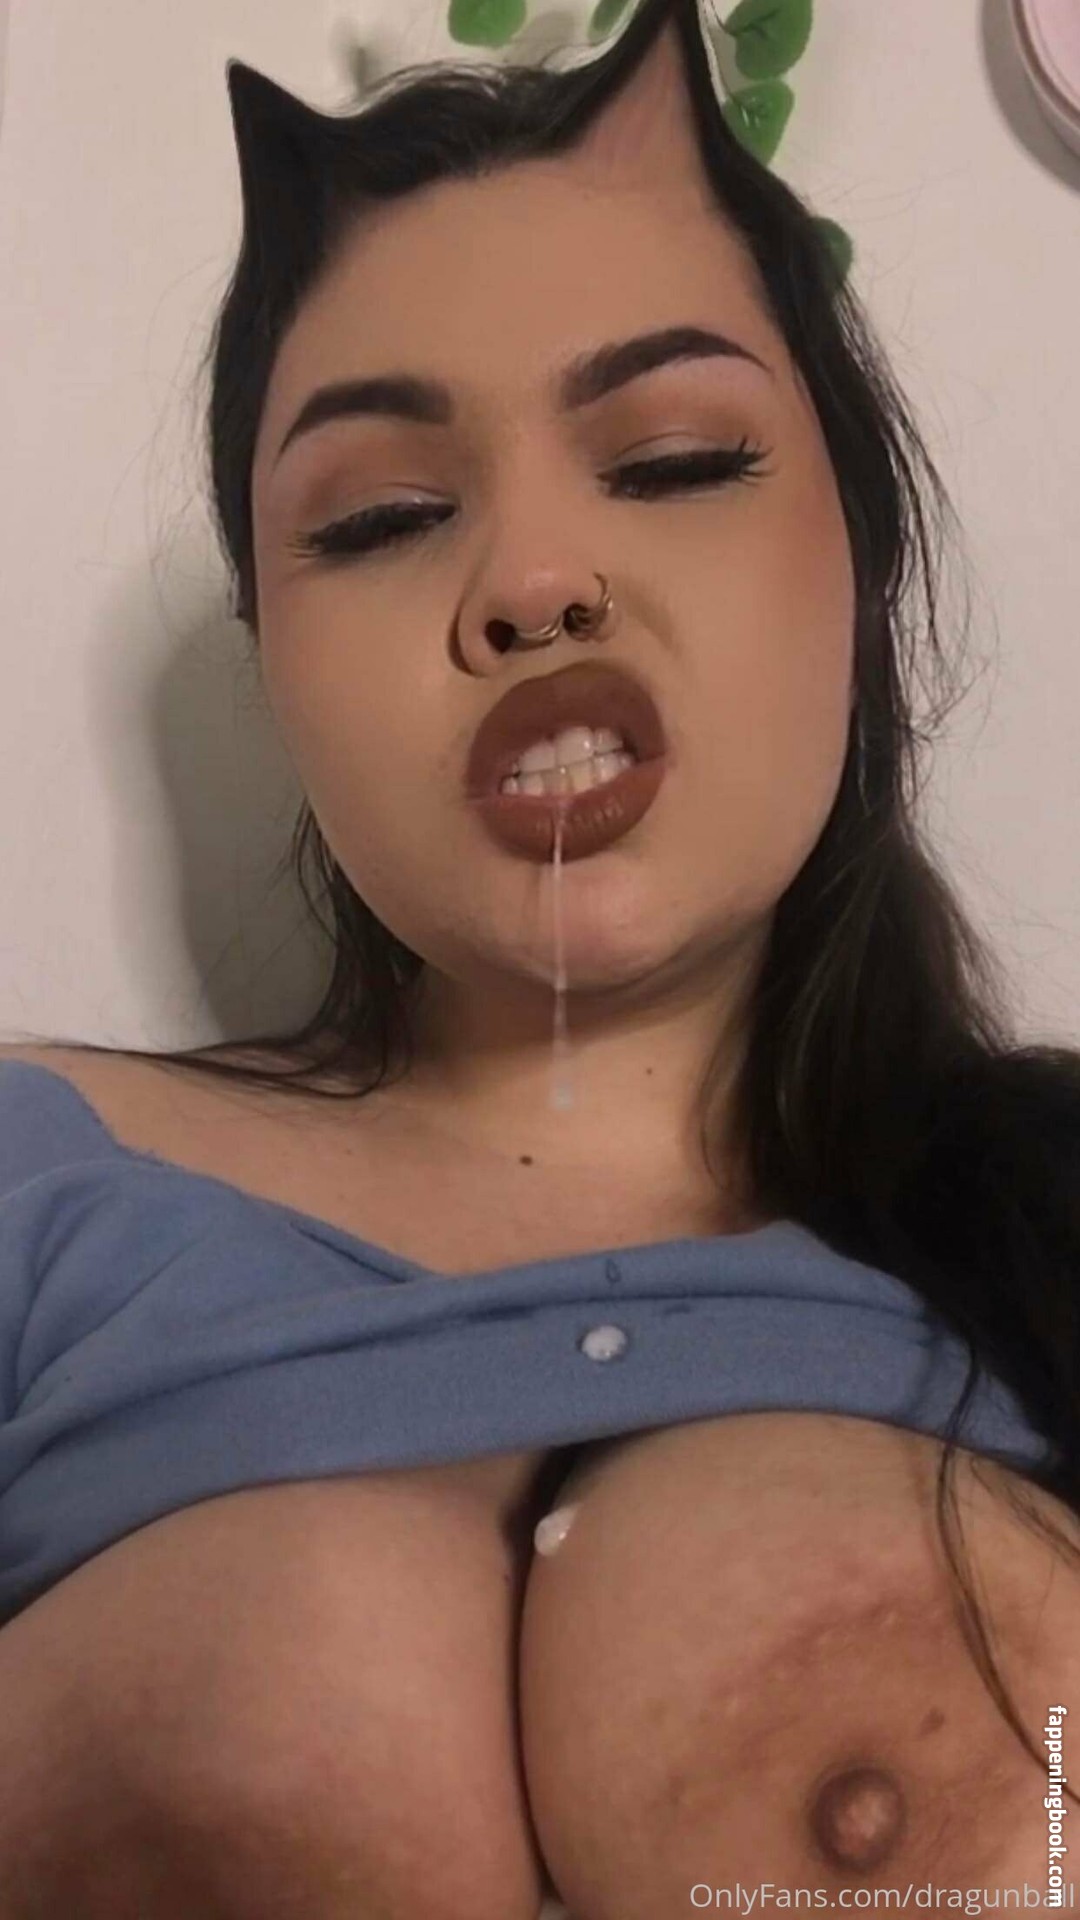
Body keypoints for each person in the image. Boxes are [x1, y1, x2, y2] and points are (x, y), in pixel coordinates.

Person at [0, 0, 1078, 1913]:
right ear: (275, 668)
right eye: (385, 517)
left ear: (862, 552)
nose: (530, 581)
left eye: (673, 460)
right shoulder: (32, 1182)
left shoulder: (1054, 1213)